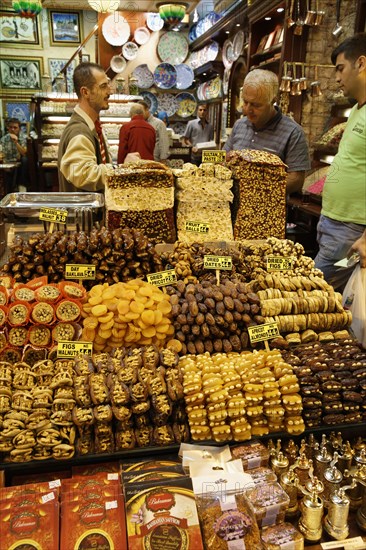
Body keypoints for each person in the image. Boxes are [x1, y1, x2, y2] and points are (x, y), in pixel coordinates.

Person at [314, 33, 366, 291]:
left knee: (316, 295)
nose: (336, 77)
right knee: (325, 300)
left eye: (340, 68)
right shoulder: (357, 110)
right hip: (332, 222)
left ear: (361, 63)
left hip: (351, 230)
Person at [223, 69, 311, 194]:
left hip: (267, 210)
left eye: (256, 105)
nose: (248, 110)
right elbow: (223, 156)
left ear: (273, 101)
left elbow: (296, 179)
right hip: (232, 208)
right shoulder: (239, 125)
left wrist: (258, 192)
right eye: (246, 102)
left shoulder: (293, 132)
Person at [58, 62, 113, 192]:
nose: (109, 91)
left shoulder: (91, 126)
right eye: (103, 86)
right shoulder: (80, 131)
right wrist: (121, 170)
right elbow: (83, 174)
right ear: (86, 92)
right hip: (82, 212)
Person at [0, 117, 28, 191]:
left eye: (15, 127)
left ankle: (22, 186)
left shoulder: (24, 137)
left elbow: (24, 153)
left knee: (25, 160)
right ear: (8, 128)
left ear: (19, 129)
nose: (12, 129)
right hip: (8, 163)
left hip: (20, 163)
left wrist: (16, 142)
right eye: (10, 127)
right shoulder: (3, 139)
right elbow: (2, 153)